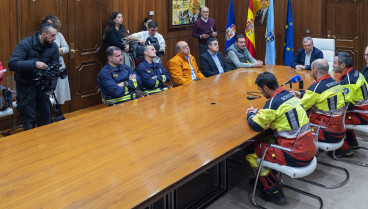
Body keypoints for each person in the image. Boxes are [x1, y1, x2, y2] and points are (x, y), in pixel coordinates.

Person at [246, 72, 315, 204]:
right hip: (309, 148)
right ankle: (266, 176)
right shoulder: (290, 95)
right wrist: (261, 112)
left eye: (260, 90)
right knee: (268, 139)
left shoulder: (272, 103)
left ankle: (273, 190)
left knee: (251, 151)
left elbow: (256, 125)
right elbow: (277, 113)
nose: (261, 93)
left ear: (265, 88)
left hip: (295, 155)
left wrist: (250, 114)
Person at [9, 22, 59, 130]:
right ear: (44, 34)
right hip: (26, 88)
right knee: (29, 120)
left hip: (43, 88)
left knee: (45, 119)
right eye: (53, 35)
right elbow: (12, 64)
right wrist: (34, 63)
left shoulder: (53, 47)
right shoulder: (25, 44)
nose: (55, 38)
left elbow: (55, 69)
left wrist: (51, 88)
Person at [292, 59, 346, 145]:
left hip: (325, 132)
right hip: (340, 130)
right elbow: (321, 98)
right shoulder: (337, 83)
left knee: (290, 123)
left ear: (315, 70)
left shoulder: (316, 89)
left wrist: (293, 98)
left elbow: (299, 107)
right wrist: (302, 94)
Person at [332, 52, 368, 157]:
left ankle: (344, 149)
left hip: (362, 115)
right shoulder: (355, 73)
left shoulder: (349, 81)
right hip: (364, 110)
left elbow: (347, 106)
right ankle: (352, 142)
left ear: (342, 65)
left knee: (335, 119)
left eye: (335, 62)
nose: (333, 65)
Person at [42, 15, 71, 105]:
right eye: (48, 24)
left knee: (60, 87)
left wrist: (59, 50)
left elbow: (67, 48)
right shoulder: (42, 35)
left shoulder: (59, 35)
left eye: (52, 24)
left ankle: (58, 108)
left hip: (59, 63)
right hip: (46, 64)